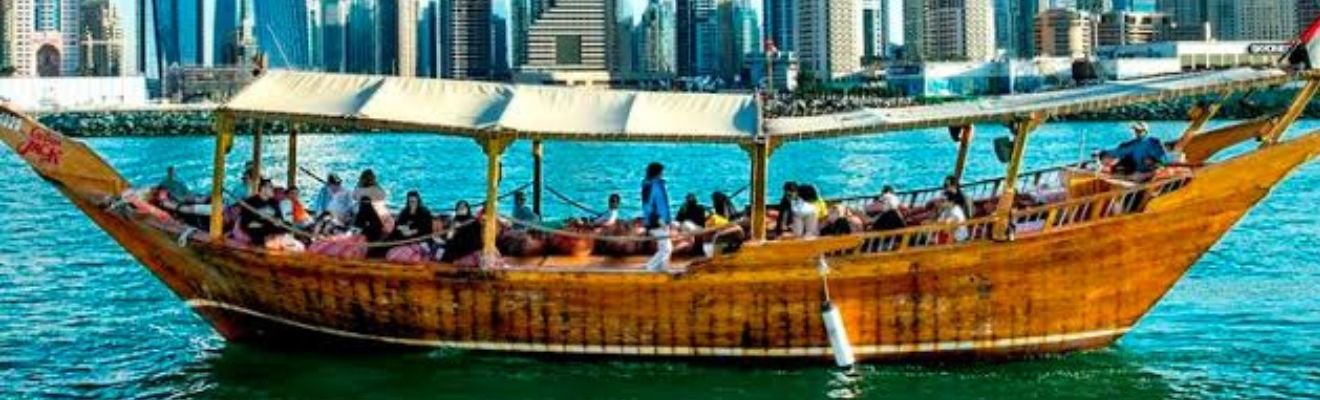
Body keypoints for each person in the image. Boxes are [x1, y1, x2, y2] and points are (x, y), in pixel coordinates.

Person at [1100, 121, 1168, 177]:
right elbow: (1118, 152)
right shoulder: (1131, 144)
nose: (1136, 132)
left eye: (1139, 131)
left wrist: (1153, 164)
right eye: (1136, 130)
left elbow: (1163, 159)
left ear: (1145, 131)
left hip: (1150, 173)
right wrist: (1103, 153)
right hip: (1138, 172)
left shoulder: (1154, 142)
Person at [641, 162, 672, 272]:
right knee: (667, 248)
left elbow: (663, 204)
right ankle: (650, 268)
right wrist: (658, 219)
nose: (663, 174)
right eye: (661, 171)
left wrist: (667, 220)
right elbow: (648, 206)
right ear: (656, 172)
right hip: (656, 222)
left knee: (664, 248)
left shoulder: (659, 184)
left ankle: (662, 269)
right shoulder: (649, 185)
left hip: (663, 221)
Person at [238, 179, 288, 247]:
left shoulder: (274, 202)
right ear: (263, 188)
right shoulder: (250, 202)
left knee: (287, 225)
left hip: (271, 226)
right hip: (257, 228)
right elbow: (246, 223)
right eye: (270, 187)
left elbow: (279, 218)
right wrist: (262, 224)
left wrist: (279, 222)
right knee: (260, 231)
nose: (273, 190)